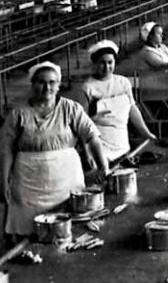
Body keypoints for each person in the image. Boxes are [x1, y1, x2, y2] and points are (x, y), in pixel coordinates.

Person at [0, 62, 108, 238]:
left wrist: (103, 166)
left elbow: (92, 136)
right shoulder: (18, 114)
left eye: (52, 82)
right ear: (32, 84)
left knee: (68, 228)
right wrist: (4, 181)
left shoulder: (71, 108)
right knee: (30, 231)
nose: (47, 87)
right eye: (41, 82)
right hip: (29, 183)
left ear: (58, 85)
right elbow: (6, 149)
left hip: (66, 180)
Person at [78, 40, 156, 161]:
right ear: (95, 63)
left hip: (122, 143)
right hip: (100, 145)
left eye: (110, 62)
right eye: (102, 63)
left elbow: (132, 109)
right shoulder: (87, 88)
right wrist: (87, 154)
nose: (107, 67)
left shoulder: (123, 82)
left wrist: (146, 133)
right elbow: (83, 124)